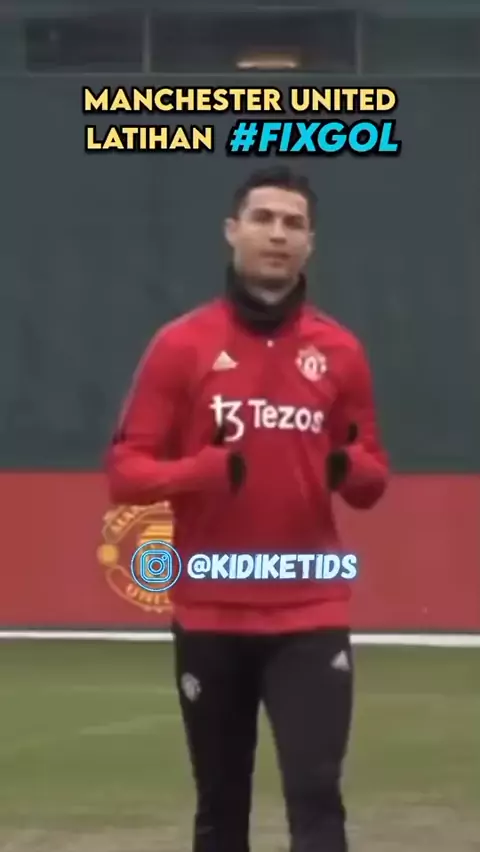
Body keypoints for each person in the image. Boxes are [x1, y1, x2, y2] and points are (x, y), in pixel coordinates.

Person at [105, 167, 389, 852]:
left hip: (309, 609)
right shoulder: (181, 345)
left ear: (310, 242)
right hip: (210, 609)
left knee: (316, 795)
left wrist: (348, 468)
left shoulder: (341, 352)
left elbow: (371, 477)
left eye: (293, 223)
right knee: (220, 804)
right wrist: (200, 473)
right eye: (263, 219)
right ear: (232, 231)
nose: (277, 235)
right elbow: (125, 473)